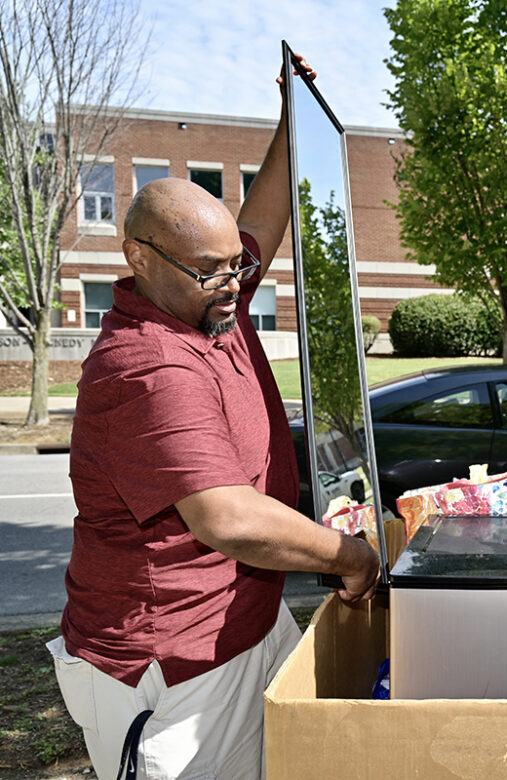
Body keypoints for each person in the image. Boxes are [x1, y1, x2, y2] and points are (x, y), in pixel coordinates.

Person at [46, 56, 380, 780]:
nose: (235, 285)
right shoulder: (146, 366)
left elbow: (257, 221)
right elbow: (228, 519)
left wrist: (296, 120)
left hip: (245, 622)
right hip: (173, 667)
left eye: (237, 266)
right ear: (139, 257)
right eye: (214, 272)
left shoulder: (206, 296)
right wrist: (351, 557)